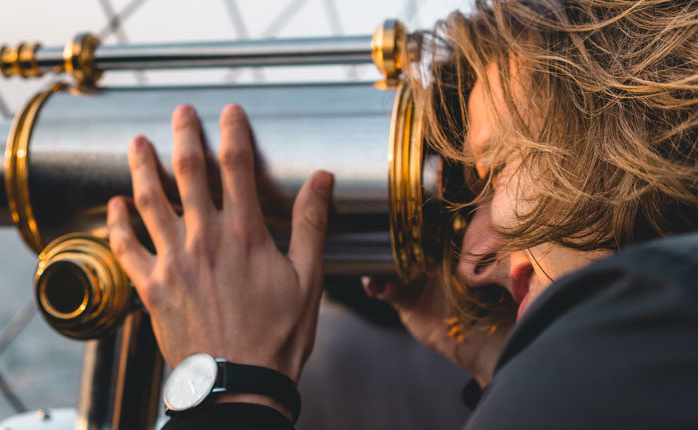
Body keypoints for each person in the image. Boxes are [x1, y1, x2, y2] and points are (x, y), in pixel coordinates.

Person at [106, 0, 698, 428]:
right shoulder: (660, 349)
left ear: (613, 142)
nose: (471, 263)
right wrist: (496, 361)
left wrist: (230, 385)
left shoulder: (631, 326)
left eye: (493, 173)